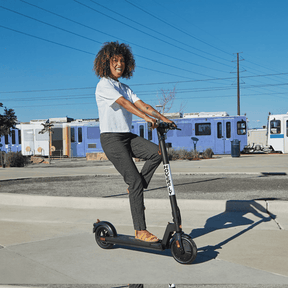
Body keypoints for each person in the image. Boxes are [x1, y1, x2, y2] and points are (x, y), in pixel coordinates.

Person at [94, 41, 173, 243]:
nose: (119, 64)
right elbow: (125, 104)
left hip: (127, 137)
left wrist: (163, 118)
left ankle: (135, 188)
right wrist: (145, 118)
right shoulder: (104, 84)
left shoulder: (124, 87)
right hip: (111, 139)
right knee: (135, 180)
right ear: (106, 62)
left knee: (159, 153)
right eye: (115, 61)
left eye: (122, 60)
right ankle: (140, 230)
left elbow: (142, 104)